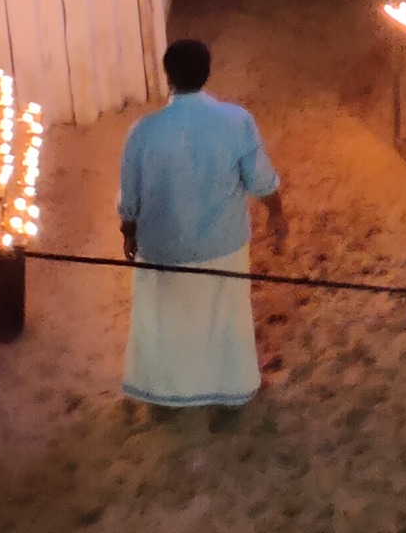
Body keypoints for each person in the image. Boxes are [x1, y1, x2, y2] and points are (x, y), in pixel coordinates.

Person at [118, 40, 284, 417]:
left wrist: (129, 232)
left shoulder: (143, 131)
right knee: (224, 320)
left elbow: (130, 195)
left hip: (163, 248)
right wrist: (277, 214)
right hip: (222, 245)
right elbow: (260, 179)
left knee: (168, 322)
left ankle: (165, 397)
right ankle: (227, 395)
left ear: (168, 76)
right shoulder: (235, 120)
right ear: (207, 73)